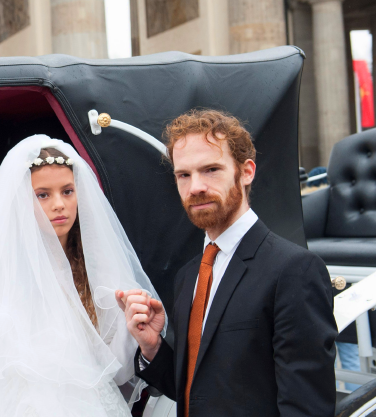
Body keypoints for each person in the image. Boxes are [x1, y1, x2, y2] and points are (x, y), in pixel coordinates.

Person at [123, 109, 336, 416]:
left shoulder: (294, 270)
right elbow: (195, 393)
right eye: (184, 174)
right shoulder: (189, 275)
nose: (195, 186)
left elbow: (307, 407)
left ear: (246, 171)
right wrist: (152, 346)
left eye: (211, 169)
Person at [0, 135, 161, 416]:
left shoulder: (98, 269)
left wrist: (133, 331)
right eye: (43, 194)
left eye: (67, 191)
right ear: (21, 202)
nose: (59, 204)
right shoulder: (4, 277)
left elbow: (116, 371)